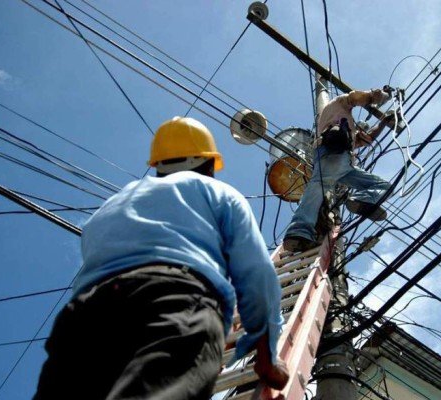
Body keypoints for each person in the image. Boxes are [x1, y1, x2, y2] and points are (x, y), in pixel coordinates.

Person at [34, 117, 289, 400]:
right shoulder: (219, 193)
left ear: (158, 165)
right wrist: (267, 354)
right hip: (174, 299)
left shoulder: (113, 203)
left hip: (82, 318)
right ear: (207, 164)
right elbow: (257, 275)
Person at [283, 88, 395, 252]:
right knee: (320, 185)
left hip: (346, 165)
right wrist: (375, 96)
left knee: (386, 187)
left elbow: (368, 138)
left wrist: (384, 122)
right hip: (331, 152)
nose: (361, 127)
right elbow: (355, 97)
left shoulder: (349, 131)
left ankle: (361, 200)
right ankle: (298, 231)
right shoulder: (337, 106)